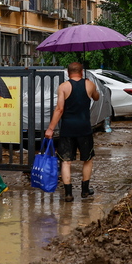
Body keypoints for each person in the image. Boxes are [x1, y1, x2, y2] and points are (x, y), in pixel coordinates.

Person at [44, 62, 101, 201]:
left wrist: (50, 128)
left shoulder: (63, 87)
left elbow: (59, 109)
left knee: (66, 161)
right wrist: (91, 86)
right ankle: (85, 190)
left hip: (68, 129)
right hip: (84, 128)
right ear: (81, 71)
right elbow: (96, 97)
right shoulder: (89, 84)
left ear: (68, 73)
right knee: (87, 159)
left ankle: (68, 194)